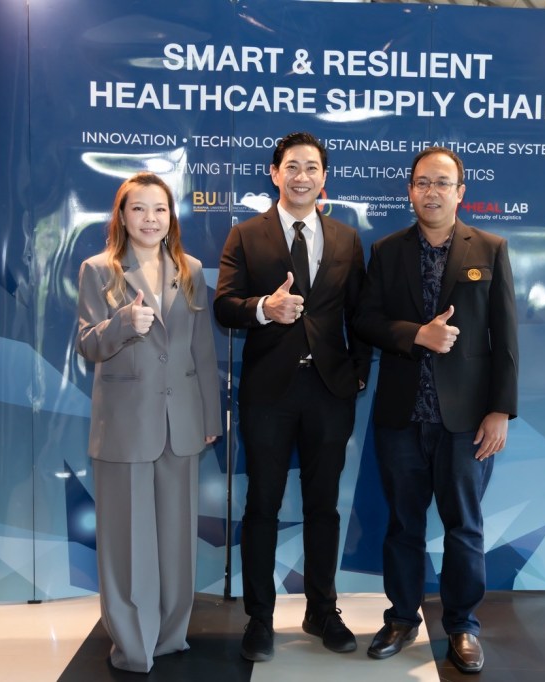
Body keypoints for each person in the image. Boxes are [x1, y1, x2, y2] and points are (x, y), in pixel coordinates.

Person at [355, 147, 518, 674]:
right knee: (403, 525)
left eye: (442, 183)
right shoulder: (386, 251)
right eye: (423, 183)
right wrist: (416, 335)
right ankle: (402, 618)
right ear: (410, 191)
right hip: (402, 415)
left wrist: (500, 411)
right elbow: (366, 321)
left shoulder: (490, 249)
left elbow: (505, 338)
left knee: (464, 526)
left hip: (467, 420)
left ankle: (463, 626)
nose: (432, 192)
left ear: (460, 192)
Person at [213, 131, 371, 662]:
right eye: (292, 167)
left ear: (324, 177)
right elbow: (224, 306)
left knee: (323, 505)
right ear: (274, 173)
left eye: (312, 168)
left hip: (330, 392)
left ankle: (322, 610)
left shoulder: (347, 239)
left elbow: (360, 314)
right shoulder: (245, 235)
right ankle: (260, 617)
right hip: (268, 394)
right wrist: (264, 308)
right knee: (263, 504)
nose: (302, 176)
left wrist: (358, 373)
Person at [76, 172, 221, 674]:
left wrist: (209, 414)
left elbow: (202, 349)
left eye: (159, 209)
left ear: (170, 216)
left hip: (181, 423)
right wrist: (122, 324)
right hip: (125, 425)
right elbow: (87, 343)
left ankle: (170, 636)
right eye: (138, 209)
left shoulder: (190, 269)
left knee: (177, 540)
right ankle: (133, 644)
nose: (150, 219)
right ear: (121, 216)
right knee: (127, 542)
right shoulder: (98, 270)